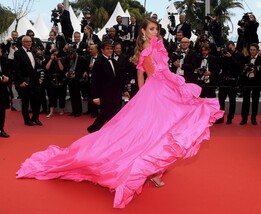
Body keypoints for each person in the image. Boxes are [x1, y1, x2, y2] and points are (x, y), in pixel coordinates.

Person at [16, 18, 223, 208]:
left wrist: (148, 93)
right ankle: (145, 169)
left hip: (159, 91)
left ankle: (151, 169)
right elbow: (147, 74)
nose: (155, 31)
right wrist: (147, 96)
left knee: (158, 130)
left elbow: (143, 74)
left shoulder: (154, 46)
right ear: (143, 31)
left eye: (157, 29)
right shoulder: (147, 47)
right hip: (157, 92)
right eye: (151, 28)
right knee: (150, 132)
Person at [87, 40, 129, 133]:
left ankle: (93, 129)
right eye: (107, 49)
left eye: (111, 49)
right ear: (102, 50)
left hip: (115, 93)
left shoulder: (114, 61)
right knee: (110, 114)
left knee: (105, 114)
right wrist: (95, 96)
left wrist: (124, 90)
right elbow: (95, 81)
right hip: (104, 93)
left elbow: (119, 78)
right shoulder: (98, 62)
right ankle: (114, 133)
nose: (110, 51)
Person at [14, 36, 43, 126]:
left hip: (35, 80)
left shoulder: (33, 52)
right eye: (27, 41)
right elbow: (16, 69)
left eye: (30, 41)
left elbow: (36, 67)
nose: (29, 43)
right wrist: (21, 81)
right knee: (26, 101)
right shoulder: (18, 53)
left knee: (37, 99)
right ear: (23, 42)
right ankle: (27, 120)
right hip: (25, 80)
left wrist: (39, 78)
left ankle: (35, 118)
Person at [0, 47, 10, 137]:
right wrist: (2, 78)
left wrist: (6, 77)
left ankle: (1, 129)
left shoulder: (3, 61)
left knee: (2, 110)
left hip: (2, 89)